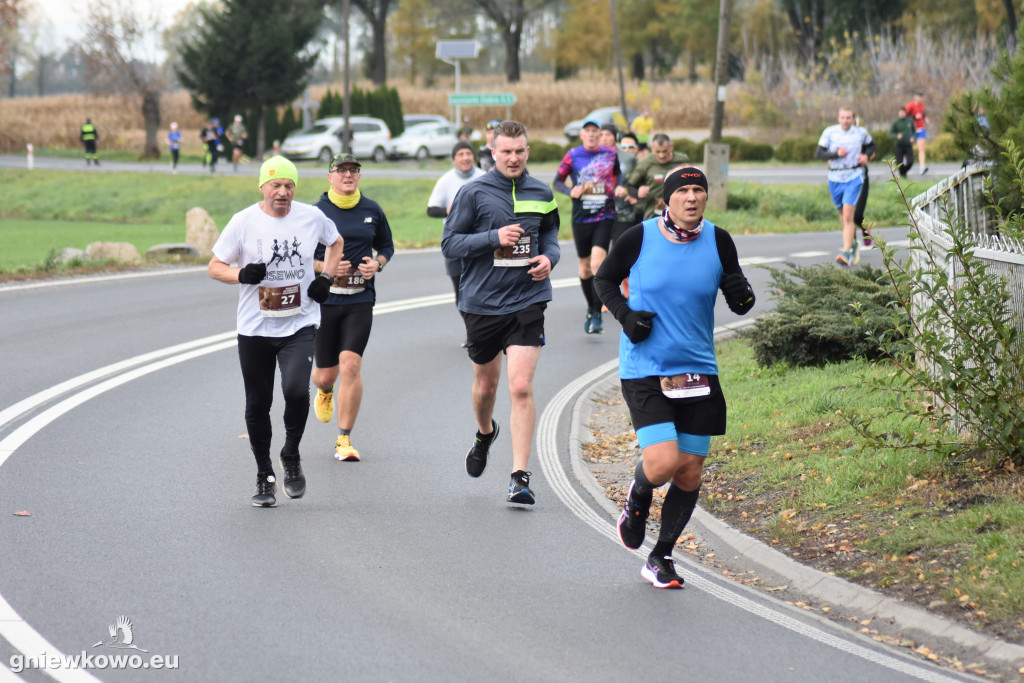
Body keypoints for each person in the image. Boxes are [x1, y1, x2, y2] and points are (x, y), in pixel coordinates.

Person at [594, 166, 755, 589]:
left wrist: (741, 292)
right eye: (682, 191)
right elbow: (604, 280)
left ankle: (661, 555)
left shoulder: (719, 240)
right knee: (663, 463)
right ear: (668, 199)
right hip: (646, 367)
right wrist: (626, 317)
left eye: (698, 190)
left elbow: (738, 298)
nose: (691, 198)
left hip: (698, 369)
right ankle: (639, 492)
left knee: (689, 470)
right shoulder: (639, 237)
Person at [208, 156, 344, 508]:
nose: (282, 192)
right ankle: (264, 472)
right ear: (262, 188)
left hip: (298, 324)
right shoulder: (243, 222)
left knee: (296, 391)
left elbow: (336, 242)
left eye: (288, 186)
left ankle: (291, 453)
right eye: (275, 186)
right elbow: (214, 266)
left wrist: (326, 278)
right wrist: (240, 275)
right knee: (258, 404)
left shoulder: (311, 217)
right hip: (254, 328)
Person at [441, 120, 561, 505]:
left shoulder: (542, 192)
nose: (513, 158)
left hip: (528, 299)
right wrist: (493, 238)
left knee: (521, 387)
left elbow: (551, 237)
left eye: (520, 151)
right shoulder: (472, 192)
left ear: (528, 152)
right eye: (506, 151)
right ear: (492, 152)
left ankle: (519, 476)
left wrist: (549, 259)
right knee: (486, 387)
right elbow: (450, 243)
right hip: (482, 304)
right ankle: (484, 432)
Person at [311, 153, 395, 462]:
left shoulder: (372, 210)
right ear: (329, 177)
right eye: (341, 170)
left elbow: (387, 246)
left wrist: (378, 264)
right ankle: (325, 390)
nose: (348, 175)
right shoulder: (315, 213)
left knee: (351, 365)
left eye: (354, 170)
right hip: (325, 301)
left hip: (360, 299)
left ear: (359, 176)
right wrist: (328, 267)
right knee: (324, 375)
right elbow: (303, 256)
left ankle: (343, 437)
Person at [553, 116, 625, 334]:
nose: (592, 135)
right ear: (582, 135)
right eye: (588, 131)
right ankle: (591, 308)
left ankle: (596, 314)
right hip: (581, 217)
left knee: (597, 264)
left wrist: (617, 188)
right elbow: (557, 181)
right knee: (584, 268)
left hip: (604, 216)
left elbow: (618, 174)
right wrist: (570, 191)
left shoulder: (610, 153)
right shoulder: (573, 155)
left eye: (596, 131)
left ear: (599, 135)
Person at [427, 140, 487, 340]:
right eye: (460, 154)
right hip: (455, 242)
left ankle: (482, 331)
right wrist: (448, 210)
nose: (465, 158)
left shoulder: (485, 178)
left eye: (468, 154)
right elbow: (431, 209)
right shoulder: (445, 181)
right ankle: (473, 331)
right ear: (454, 159)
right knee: (460, 292)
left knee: (481, 288)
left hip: (481, 240)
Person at [815, 107, 876, 266]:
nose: (845, 120)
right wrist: (836, 154)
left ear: (853, 119)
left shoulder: (860, 132)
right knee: (843, 217)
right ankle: (853, 243)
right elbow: (819, 153)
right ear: (838, 118)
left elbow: (871, 146)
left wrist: (866, 156)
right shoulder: (829, 132)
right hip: (835, 178)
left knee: (850, 217)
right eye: (842, 117)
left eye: (848, 117)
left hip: (854, 177)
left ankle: (846, 252)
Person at [626, 133, 691, 221]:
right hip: (654, 212)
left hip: (679, 210)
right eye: (658, 152)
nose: (661, 155)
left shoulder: (683, 161)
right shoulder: (645, 163)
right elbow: (629, 185)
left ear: (671, 146)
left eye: (665, 151)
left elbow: (693, 182)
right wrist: (638, 192)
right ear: (652, 148)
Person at [905, 92, 929, 174]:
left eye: (921, 97)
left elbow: (923, 113)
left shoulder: (922, 105)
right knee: (908, 148)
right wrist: (914, 117)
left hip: (921, 129)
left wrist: (925, 118)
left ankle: (922, 167)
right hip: (912, 129)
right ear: (915, 97)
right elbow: (905, 116)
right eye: (919, 97)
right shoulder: (910, 105)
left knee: (921, 149)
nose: (920, 99)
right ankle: (904, 164)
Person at [889, 107, 915, 178]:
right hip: (899, 145)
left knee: (910, 161)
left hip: (908, 144)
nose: (901, 114)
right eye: (900, 112)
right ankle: (903, 175)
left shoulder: (909, 121)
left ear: (905, 113)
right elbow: (890, 134)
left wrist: (913, 137)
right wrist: (897, 136)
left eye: (902, 112)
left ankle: (904, 172)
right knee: (899, 163)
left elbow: (914, 131)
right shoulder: (896, 122)